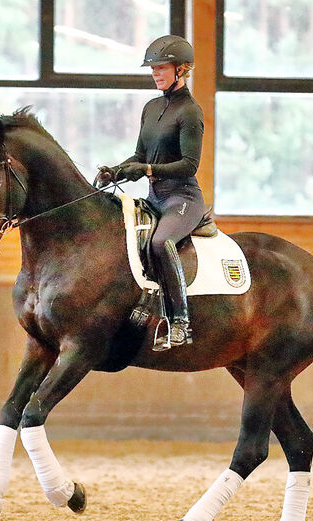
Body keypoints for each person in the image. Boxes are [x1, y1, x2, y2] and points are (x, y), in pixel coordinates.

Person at [97, 34, 206, 351]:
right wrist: (116, 170)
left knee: (160, 241)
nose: (156, 74)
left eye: (162, 68)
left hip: (182, 198)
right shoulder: (151, 108)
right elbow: (140, 156)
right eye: (153, 69)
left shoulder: (190, 113)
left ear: (181, 69)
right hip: (154, 198)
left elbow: (189, 165)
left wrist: (146, 171)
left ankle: (180, 323)